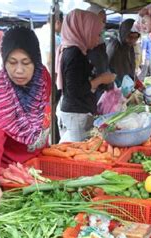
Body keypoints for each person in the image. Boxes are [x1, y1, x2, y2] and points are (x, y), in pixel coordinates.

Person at [0, 27, 52, 214]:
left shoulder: (43, 78)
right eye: (12, 62)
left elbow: (44, 115)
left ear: (36, 61)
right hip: (12, 176)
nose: (19, 70)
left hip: (39, 166)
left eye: (26, 62)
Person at [55, 9, 116, 143]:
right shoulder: (74, 54)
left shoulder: (76, 51)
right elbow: (75, 89)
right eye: (96, 34)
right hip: (77, 112)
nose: (98, 39)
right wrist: (101, 80)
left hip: (79, 110)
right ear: (85, 30)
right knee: (80, 152)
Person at [86, 4, 112, 100]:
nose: (103, 24)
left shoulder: (100, 40)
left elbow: (104, 63)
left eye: (105, 21)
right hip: (91, 91)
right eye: (101, 20)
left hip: (102, 87)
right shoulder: (83, 45)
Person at [106, 19, 140, 85]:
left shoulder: (129, 46)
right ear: (124, 33)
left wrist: (136, 83)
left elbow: (131, 68)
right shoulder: (114, 47)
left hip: (127, 85)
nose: (133, 40)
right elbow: (109, 71)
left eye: (136, 37)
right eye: (130, 37)